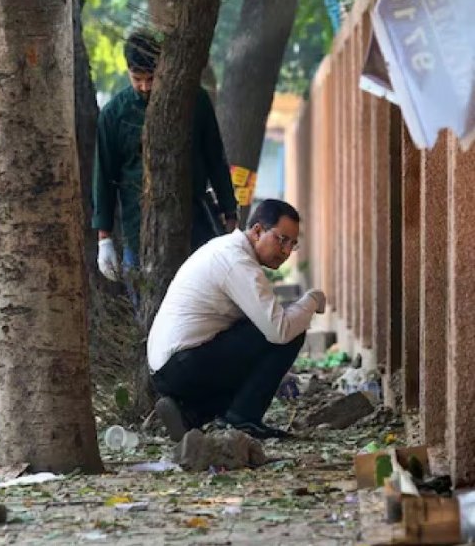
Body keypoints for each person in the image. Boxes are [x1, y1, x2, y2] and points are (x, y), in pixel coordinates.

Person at [146, 199, 325, 441]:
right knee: (289, 332)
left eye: (292, 244)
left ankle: (189, 415)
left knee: (261, 336)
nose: (285, 251)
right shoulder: (237, 262)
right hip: (183, 364)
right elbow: (279, 331)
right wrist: (312, 300)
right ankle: (243, 419)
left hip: (168, 367)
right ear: (258, 230)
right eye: (281, 239)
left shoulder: (225, 248)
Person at [93, 31, 239, 285]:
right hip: (137, 228)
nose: (145, 87)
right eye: (137, 79)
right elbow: (104, 177)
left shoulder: (195, 101)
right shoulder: (113, 114)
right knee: (146, 303)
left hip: (196, 220)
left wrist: (229, 208)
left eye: (152, 78)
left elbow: (215, 157)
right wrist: (104, 238)